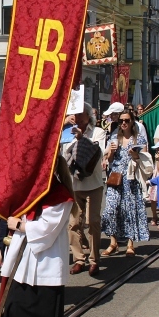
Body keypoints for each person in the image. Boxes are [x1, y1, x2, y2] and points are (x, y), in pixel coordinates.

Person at [0, 164, 74, 317]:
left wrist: (20, 225)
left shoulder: (61, 195)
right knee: (17, 310)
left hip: (47, 262)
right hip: (23, 261)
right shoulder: (29, 192)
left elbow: (47, 230)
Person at [101, 111, 152, 257]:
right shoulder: (114, 137)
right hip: (115, 177)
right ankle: (113, 242)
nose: (123, 123)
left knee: (129, 210)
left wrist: (135, 155)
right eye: (121, 121)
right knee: (110, 210)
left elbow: (144, 159)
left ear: (132, 122)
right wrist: (111, 152)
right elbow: (110, 160)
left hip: (131, 178)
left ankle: (130, 244)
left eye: (127, 120)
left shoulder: (139, 138)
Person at [64, 103, 107, 276]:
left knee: (93, 221)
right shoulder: (67, 132)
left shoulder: (98, 132)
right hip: (74, 185)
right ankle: (79, 259)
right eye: (75, 114)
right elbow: (63, 156)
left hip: (94, 184)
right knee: (74, 223)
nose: (78, 118)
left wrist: (82, 139)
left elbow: (98, 153)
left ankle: (94, 259)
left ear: (89, 116)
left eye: (82, 114)